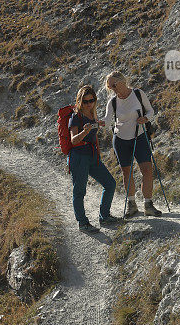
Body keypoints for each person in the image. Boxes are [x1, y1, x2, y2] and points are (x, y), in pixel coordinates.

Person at [104, 71, 162, 217]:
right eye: (109, 86)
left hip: (140, 136)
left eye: (113, 85)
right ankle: (132, 205)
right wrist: (93, 121)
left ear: (122, 81)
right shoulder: (113, 102)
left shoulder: (138, 94)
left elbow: (150, 111)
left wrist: (146, 119)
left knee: (147, 170)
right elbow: (106, 121)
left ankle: (148, 205)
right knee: (127, 172)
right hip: (121, 139)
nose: (112, 88)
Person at [68, 85, 120, 233]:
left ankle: (104, 216)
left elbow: (93, 132)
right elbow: (73, 140)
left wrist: (99, 124)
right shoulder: (75, 117)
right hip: (79, 157)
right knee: (79, 192)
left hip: (92, 156)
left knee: (110, 184)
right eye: (85, 101)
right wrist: (85, 132)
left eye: (91, 100)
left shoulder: (92, 114)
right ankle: (83, 223)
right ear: (79, 101)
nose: (89, 103)